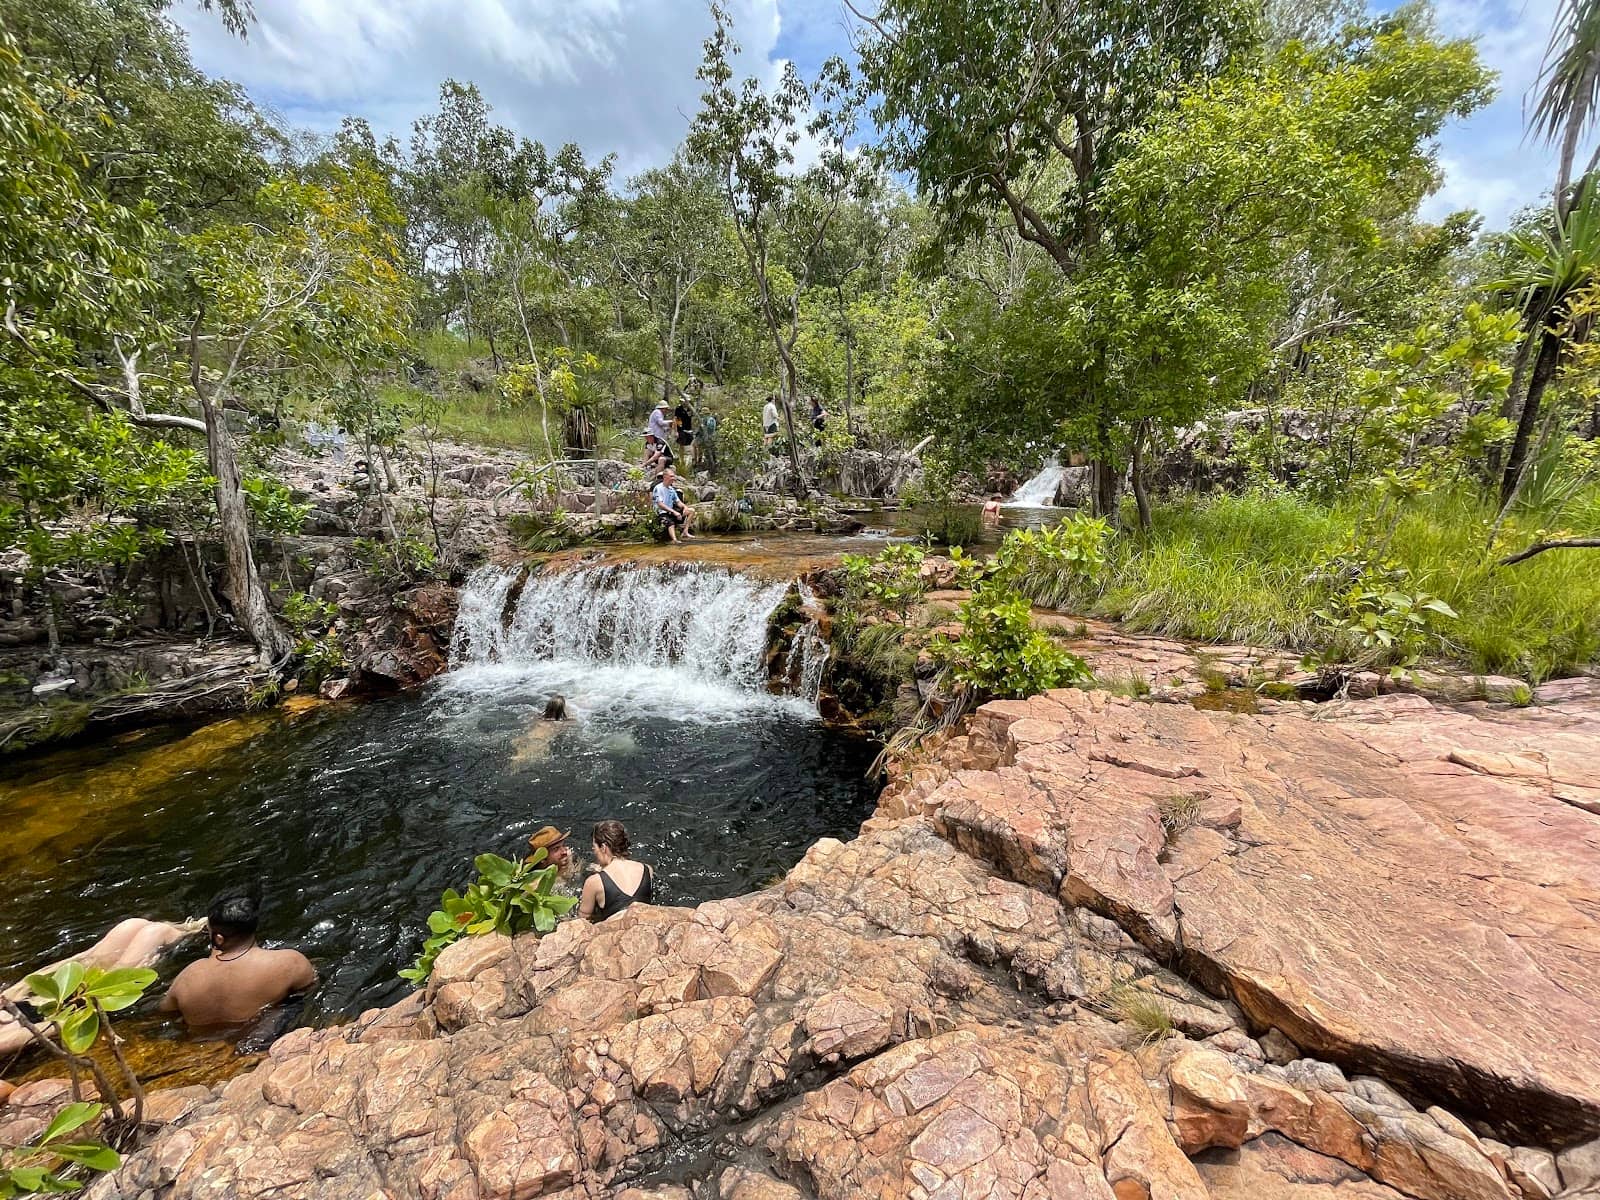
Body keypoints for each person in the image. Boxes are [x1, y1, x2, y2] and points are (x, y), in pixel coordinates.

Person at [1, 918, 203, 1058]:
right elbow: (48, 1029)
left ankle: (201, 929)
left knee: (130, 926)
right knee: (156, 934)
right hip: (67, 1006)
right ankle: (202, 931)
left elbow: (13, 993)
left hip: (38, 997)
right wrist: (92, 1002)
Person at [159, 886, 316, 1031]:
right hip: (262, 1040)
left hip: (203, 1047)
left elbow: (166, 1012)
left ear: (219, 938)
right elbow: (311, 993)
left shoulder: (188, 976)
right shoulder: (289, 962)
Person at [577, 821, 653, 923]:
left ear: (603, 848)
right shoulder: (647, 869)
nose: (594, 851)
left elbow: (582, 921)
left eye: (594, 847)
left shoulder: (594, 882)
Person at [511, 693, 569, 765]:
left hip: (527, 736)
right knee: (522, 759)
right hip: (541, 741)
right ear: (561, 711)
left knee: (519, 756)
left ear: (548, 706)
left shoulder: (538, 717)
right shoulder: (560, 723)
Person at [652, 469, 694, 543]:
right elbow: (660, 504)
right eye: (671, 476)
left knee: (691, 511)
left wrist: (684, 507)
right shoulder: (658, 488)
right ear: (665, 477)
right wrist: (674, 512)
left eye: (674, 476)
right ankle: (674, 540)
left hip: (671, 512)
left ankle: (685, 532)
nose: (673, 478)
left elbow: (678, 502)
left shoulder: (671, 489)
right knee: (670, 523)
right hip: (661, 513)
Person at [644, 400, 674, 472]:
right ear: (663, 408)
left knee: (658, 452)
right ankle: (646, 465)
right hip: (655, 435)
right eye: (666, 409)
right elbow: (660, 422)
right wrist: (671, 421)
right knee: (651, 451)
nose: (666, 411)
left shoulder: (659, 414)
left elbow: (662, 426)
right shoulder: (657, 412)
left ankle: (653, 465)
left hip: (658, 437)